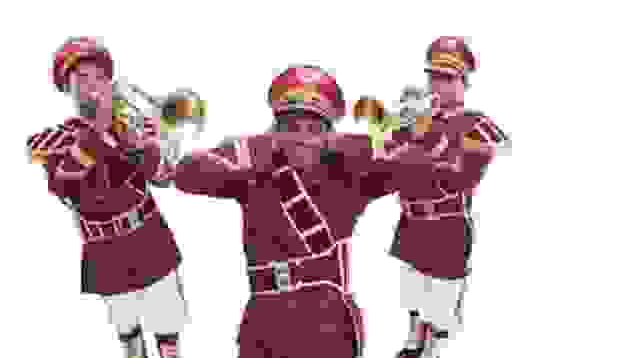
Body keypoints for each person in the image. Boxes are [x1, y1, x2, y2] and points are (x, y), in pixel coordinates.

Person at [170, 64, 443, 358]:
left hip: (324, 318)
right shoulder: (255, 162)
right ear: (275, 129)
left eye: (313, 127)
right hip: (266, 319)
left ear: (328, 131)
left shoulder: (349, 168)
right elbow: (186, 174)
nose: (301, 136)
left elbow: (419, 171)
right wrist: (247, 154)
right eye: (291, 126)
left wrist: (409, 135)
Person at [27, 37, 189, 358]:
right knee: (127, 328)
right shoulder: (54, 140)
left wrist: (148, 144)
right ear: (67, 89)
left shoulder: (129, 129)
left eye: (100, 77)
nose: (93, 85)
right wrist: (100, 132)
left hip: (149, 235)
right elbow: (66, 186)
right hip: (105, 247)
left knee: (168, 322)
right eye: (82, 78)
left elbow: (163, 178)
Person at [387, 37, 511, 357]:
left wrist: (432, 142)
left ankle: (433, 350)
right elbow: (385, 158)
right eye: (434, 77)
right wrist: (400, 125)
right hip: (410, 220)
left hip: (447, 223)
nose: (438, 85)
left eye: (447, 78)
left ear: (463, 82)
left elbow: (479, 163)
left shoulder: (473, 122)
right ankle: (412, 344)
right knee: (412, 289)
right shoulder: (413, 118)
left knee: (441, 295)